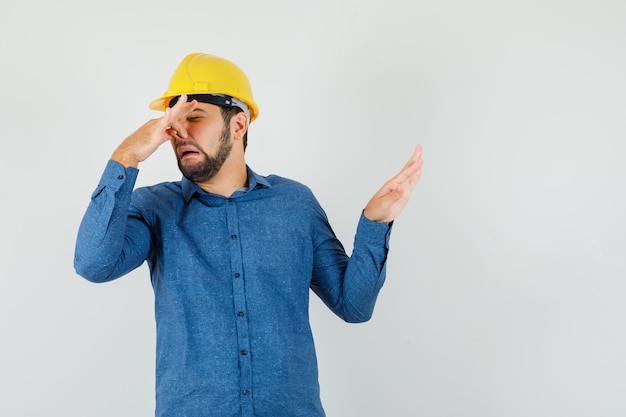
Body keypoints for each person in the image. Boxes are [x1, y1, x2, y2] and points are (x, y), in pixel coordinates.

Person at [74, 52, 423, 417]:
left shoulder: (294, 203)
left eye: (194, 117)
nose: (179, 133)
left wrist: (375, 222)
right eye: (172, 123)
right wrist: (127, 155)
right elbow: (93, 264)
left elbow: (353, 306)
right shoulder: (154, 207)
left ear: (238, 125)